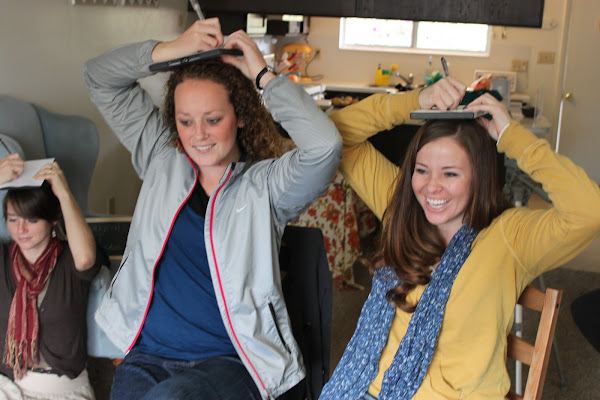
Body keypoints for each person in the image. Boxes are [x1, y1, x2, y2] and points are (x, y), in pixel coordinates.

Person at [83, 18, 341, 400]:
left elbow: (324, 147)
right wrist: (170, 50)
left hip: (229, 361)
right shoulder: (161, 157)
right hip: (148, 354)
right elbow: (99, 76)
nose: (198, 135)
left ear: (240, 116)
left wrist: (263, 76)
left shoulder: (267, 187)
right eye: (185, 121)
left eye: (213, 120)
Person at [319, 79, 600, 399]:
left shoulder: (510, 238)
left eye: (450, 173)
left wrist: (512, 136)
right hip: (368, 388)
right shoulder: (401, 204)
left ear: (478, 178)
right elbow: (333, 136)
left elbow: (590, 211)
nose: (431, 187)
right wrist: (413, 101)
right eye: (422, 170)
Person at [0, 161, 101, 399]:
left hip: (62, 391)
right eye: (13, 219)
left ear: (52, 219)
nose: (21, 229)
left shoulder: (70, 259)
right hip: (7, 387)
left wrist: (63, 193)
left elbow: (86, 258)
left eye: (32, 220)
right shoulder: (3, 258)